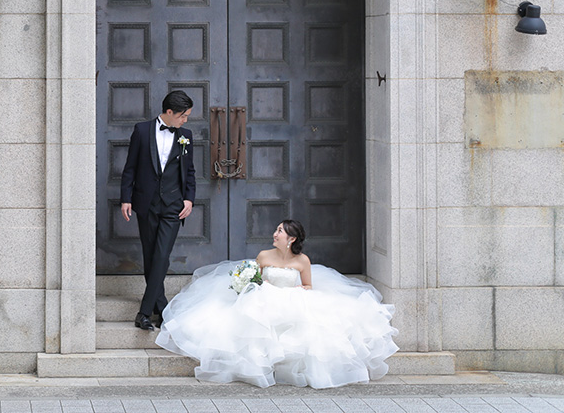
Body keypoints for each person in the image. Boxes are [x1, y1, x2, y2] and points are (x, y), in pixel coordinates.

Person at [155, 219, 399, 389]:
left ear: (291, 238)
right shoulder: (264, 255)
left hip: (290, 298)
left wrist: (295, 292)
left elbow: (308, 286)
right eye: (276, 229)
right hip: (264, 297)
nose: (275, 233)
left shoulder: (302, 260)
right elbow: (256, 277)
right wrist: (247, 283)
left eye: (280, 231)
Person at [119, 90, 196, 331]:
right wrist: (126, 198)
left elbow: (190, 171)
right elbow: (130, 167)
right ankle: (161, 309)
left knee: (162, 256)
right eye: (183, 116)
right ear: (169, 112)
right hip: (146, 203)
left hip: (174, 205)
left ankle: (143, 312)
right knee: (151, 256)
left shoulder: (186, 136)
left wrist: (189, 199)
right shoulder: (141, 131)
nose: (185, 121)